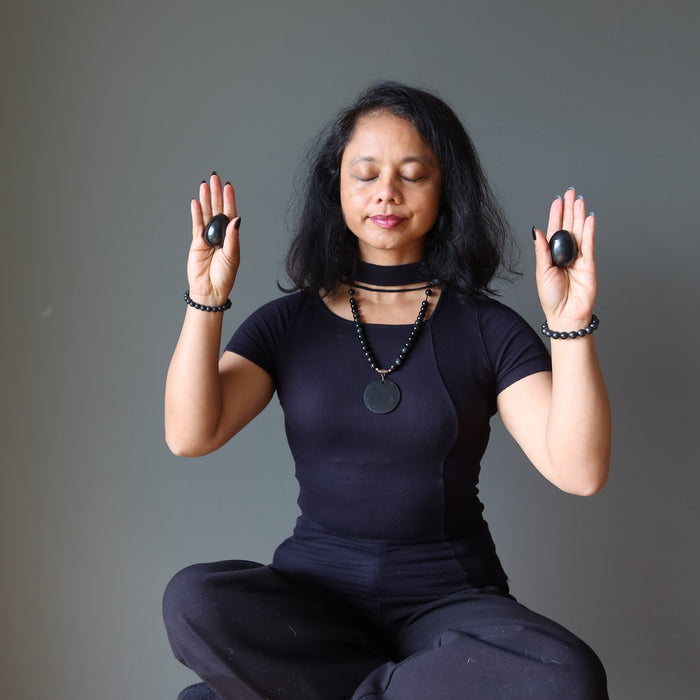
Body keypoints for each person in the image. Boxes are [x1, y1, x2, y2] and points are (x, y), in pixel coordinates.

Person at [162, 81, 611, 699]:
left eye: (412, 174)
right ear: (337, 188)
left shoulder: (486, 328)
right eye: (365, 174)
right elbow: (191, 435)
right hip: (313, 605)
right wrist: (205, 301)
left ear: (444, 187)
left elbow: (579, 472)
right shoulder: (287, 322)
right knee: (194, 601)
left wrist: (568, 326)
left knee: (567, 676)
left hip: (450, 600)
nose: (386, 194)